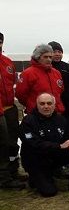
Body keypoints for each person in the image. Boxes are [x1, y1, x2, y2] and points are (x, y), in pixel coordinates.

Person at [19, 93, 69, 196]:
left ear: (54, 105)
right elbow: (33, 144)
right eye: (42, 104)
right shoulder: (28, 121)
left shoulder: (60, 119)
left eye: (49, 103)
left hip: (55, 155)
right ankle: (36, 178)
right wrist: (59, 146)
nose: (46, 106)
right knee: (49, 192)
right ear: (37, 105)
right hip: (36, 159)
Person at [0, 32, 24, 188]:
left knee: (12, 142)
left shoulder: (8, 62)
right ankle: (3, 177)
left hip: (10, 108)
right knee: (1, 143)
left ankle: (13, 170)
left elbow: (13, 84)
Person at [16, 44, 65, 115]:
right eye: (45, 57)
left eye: (50, 57)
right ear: (38, 58)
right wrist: (32, 105)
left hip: (56, 114)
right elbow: (20, 94)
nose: (48, 59)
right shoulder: (27, 73)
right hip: (37, 115)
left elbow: (60, 91)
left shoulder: (56, 73)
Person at [48, 41, 69, 134]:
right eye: (54, 52)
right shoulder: (45, 67)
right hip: (49, 108)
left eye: (59, 52)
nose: (57, 54)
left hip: (67, 108)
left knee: (67, 132)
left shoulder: (68, 68)